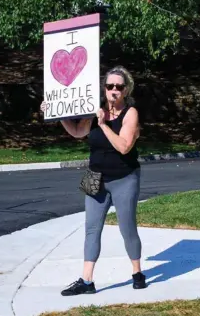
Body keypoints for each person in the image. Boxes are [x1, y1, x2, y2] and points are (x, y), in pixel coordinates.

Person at [40, 66, 147, 295]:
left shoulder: (131, 113)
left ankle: (137, 272)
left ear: (126, 90)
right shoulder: (94, 109)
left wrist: (104, 125)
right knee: (91, 228)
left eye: (119, 86)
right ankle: (87, 281)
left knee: (127, 228)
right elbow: (78, 132)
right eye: (110, 86)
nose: (114, 91)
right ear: (104, 88)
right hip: (94, 175)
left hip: (124, 177)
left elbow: (124, 146)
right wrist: (58, 115)